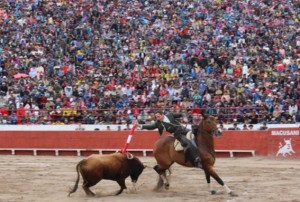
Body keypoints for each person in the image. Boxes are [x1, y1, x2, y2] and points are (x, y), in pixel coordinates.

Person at [135, 110, 202, 168]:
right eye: (156, 117)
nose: (157, 118)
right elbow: (150, 126)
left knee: (196, 135)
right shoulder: (158, 123)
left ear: (162, 115)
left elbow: (181, 113)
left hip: (184, 129)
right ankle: (196, 159)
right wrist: (140, 126)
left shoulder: (170, 115)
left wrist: (184, 117)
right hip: (178, 134)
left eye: (158, 116)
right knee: (186, 142)